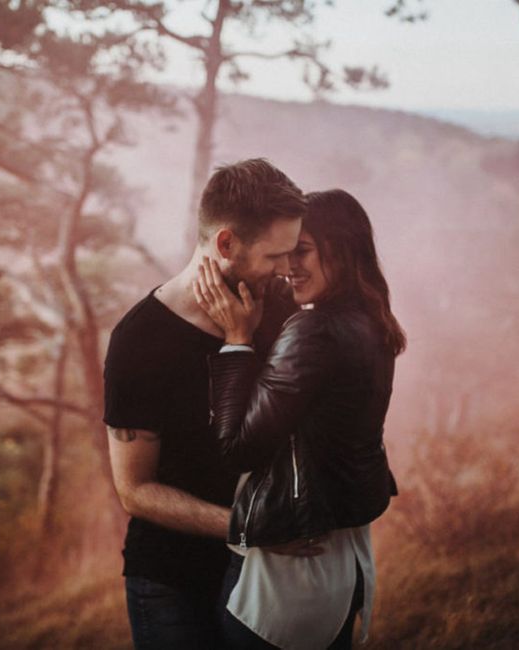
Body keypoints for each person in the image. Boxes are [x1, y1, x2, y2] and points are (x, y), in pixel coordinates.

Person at [103, 158, 308, 649]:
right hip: (171, 580)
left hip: (264, 571)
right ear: (225, 243)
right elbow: (135, 489)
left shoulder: (279, 306)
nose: (287, 269)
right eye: (275, 256)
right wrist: (246, 528)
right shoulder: (139, 340)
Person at [194, 188, 406, 649]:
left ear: (343, 249)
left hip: (284, 588)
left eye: (302, 251)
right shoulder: (372, 322)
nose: (290, 267)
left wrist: (235, 340)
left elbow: (238, 447)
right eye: (286, 254)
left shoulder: (315, 331)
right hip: (344, 566)